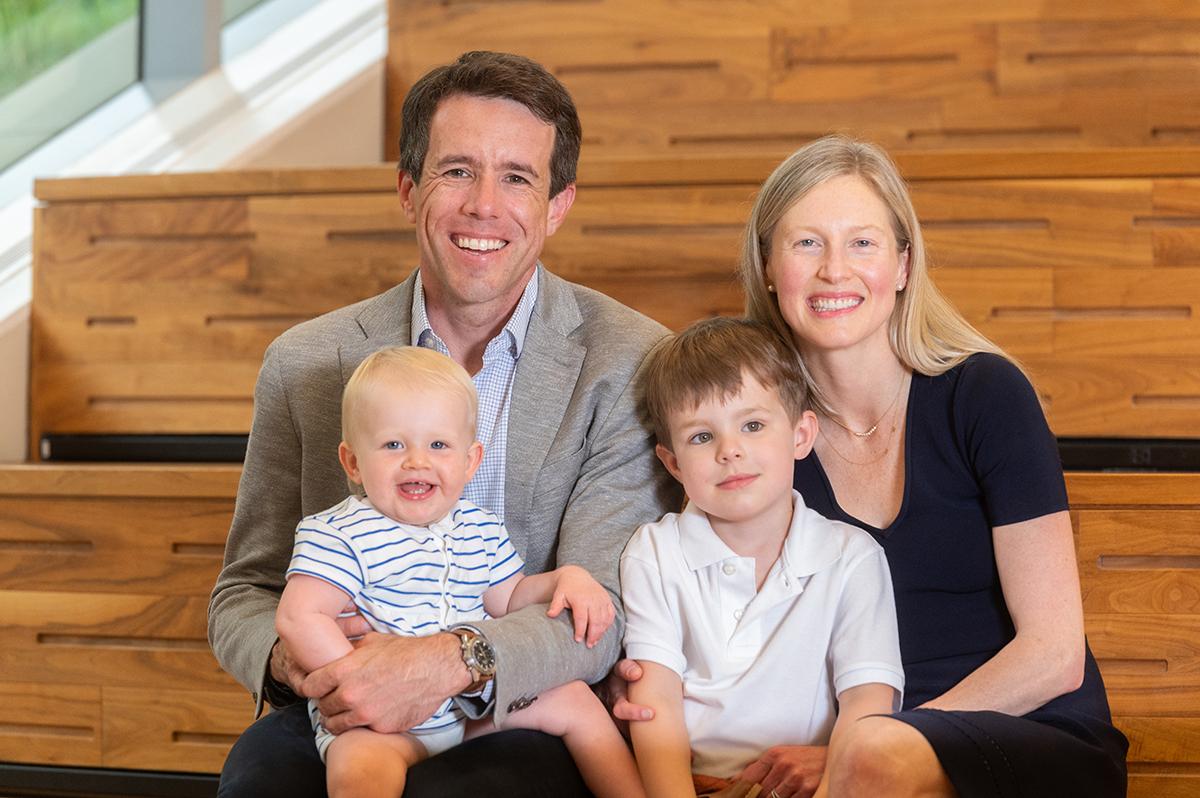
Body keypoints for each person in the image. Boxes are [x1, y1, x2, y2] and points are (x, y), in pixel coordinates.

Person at [209, 50, 679, 798]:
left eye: (517, 177)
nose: (483, 205)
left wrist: (443, 663)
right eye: (457, 171)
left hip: (523, 701)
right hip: (347, 696)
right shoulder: (305, 365)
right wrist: (303, 662)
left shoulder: (631, 361)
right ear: (408, 189)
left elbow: (606, 612)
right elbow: (246, 590)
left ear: (557, 205)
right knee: (258, 785)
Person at [724, 133, 1126, 797]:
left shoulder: (985, 394)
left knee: (876, 759)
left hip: (1031, 727)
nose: (833, 270)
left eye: (862, 242)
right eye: (806, 243)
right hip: (860, 748)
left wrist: (873, 742)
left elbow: (1054, 655)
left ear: (903, 265)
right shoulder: (757, 441)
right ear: (767, 266)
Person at [276, 346, 643, 798]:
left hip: (468, 705)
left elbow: (510, 598)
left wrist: (567, 579)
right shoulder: (337, 533)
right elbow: (299, 618)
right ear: (353, 462)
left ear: (470, 462)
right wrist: (356, 680)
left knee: (577, 703)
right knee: (360, 771)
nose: (417, 461)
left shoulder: (480, 528)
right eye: (393, 444)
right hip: (379, 725)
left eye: (438, 445)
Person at [622, 317, 905, 798]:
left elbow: (867, 705)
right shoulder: (654, 553)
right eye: (701, 437)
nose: (730, 451)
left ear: (800, 435)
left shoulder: (851, 558)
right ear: (673, 464)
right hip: (696, 785)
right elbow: (657, 709)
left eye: (753, 425)